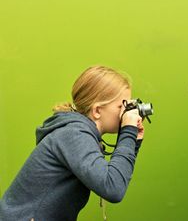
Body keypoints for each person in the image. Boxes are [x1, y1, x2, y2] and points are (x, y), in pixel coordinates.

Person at [0, 65, 145, 221]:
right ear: (97, 111)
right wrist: (128, 131)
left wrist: (131, 141)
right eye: (121, 106)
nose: (128, 111)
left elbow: (114, 180)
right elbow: (113, 188)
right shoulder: (74, 135)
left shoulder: (78, 133)